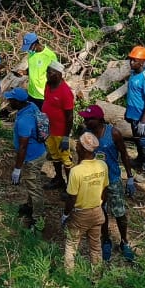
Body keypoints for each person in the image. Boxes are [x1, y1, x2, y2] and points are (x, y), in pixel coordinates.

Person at [77, 105, 137, 263]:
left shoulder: (113, 133)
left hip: (112, 179)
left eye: (90, 119)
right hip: (95, 181)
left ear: (100, 119)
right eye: (85, 118)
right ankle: (106, 240)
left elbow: (124, 154)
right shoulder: (86, 135)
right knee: (100, 212)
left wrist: (130, 177)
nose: (87, 121)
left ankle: (124, 241)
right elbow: (81, 157)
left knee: (119, 213)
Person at [63, 131, 109, 271]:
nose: (75, 145)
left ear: (82, 149)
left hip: (80, 214)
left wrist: (65, 214)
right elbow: (105, 190)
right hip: (97, 212)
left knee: (71, 245)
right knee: (95, 247)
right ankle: (96, 277)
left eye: (78, 143)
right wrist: (100, 205)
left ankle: (69, 277)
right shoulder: (102, 165)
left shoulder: (76, 171)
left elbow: (72, 197)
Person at [4, 87, 47, 229]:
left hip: (32, 157)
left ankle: (37, 219)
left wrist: (17, 168)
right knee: (31, 183)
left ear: (18, 102)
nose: (9, 101)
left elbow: (23, 147)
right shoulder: (31, 105)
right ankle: (30, 206)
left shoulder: (24, 121)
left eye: (11, 99)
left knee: (34, 187)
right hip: (39, 151)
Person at [124, 45, 145, 180]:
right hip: (133, 114)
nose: (131, 62)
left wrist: (143, 121)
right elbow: (132, 94)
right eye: (131, 59)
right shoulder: (133, 74)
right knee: (137, 140)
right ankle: (140, 160)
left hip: (142, 117)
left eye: (135, 60)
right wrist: (128, 112)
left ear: (142, 62)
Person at [41, 61, 75, 190]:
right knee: (54, 156)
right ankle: (59, 179)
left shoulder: (65, 92)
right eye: (47, 72)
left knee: (66, 159)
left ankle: (70, 187)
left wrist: (66, 137)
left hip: (61, 132)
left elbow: (70, 116)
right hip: (49, 129)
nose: (47, 75)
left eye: (50, 73)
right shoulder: (48, 85)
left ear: (59, 74)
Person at [14, 32, 57, 112]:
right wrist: (24, 72)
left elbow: (56, 76)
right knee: (33, 118)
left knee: (44, 120)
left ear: (36, 43)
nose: (29, 50)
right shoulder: (31, 54)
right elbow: (32, 69)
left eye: (29, 48)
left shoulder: (50, 56)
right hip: (31, 93)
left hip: (43, 95)